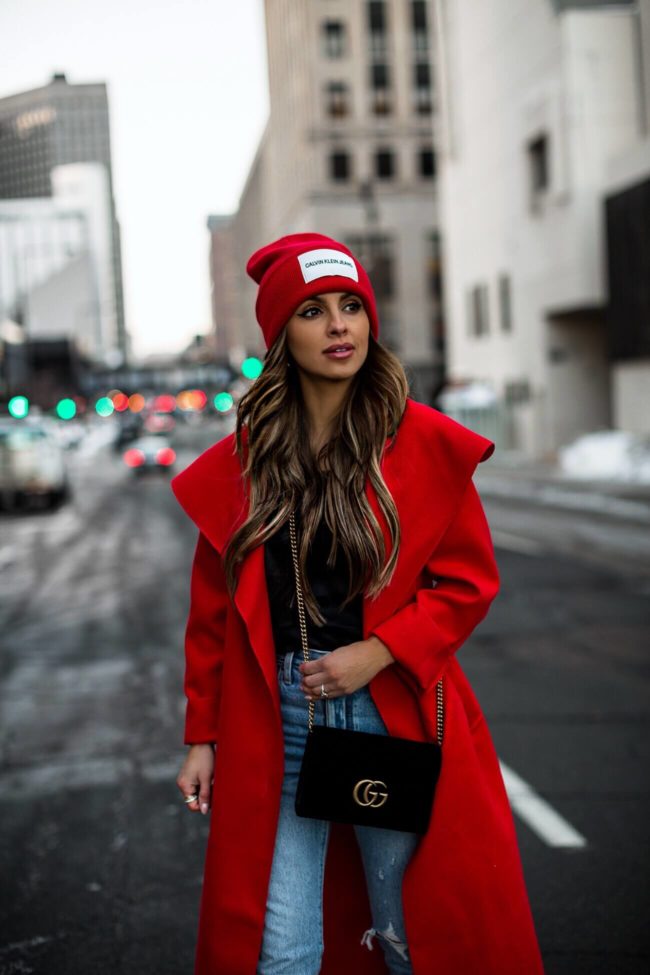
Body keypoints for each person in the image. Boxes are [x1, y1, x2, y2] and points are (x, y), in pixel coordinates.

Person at [171, 233, 546, 975]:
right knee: (278, 947)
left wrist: (379, 652)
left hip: (382, 715)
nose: (339, 324)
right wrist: (200, 733)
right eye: (313, 310)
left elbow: (468, 582)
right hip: (276, 721)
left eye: (351, 306)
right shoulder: (246, 462)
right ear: (283, 333)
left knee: (406, 934)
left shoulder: (421, 442)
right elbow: (212, 615)